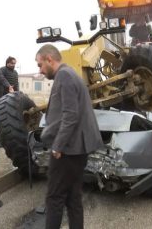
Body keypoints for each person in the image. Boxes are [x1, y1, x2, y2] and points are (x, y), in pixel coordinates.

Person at [36, 44, 103, 229]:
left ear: (50, 59)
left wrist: (57, 145)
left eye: (40, 64)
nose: (40, 70)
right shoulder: (72, 74)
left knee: (54, 198)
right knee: (73, 198)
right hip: (77, 148)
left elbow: (70, 115)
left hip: (68, 149)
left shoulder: (64, 75)